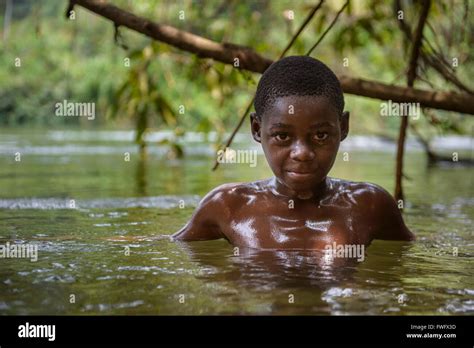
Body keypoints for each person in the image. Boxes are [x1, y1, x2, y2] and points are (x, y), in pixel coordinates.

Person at [172, 56, 415, 250]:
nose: (302, 153)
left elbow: (410, 257)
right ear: (257, 129)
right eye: (283, 136)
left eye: (320, 136)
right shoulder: (227, 206)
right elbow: (170, 247)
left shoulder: (370, 205)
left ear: (343, 128)